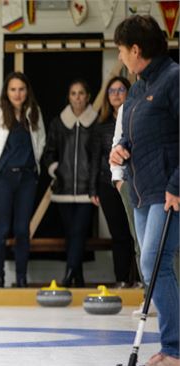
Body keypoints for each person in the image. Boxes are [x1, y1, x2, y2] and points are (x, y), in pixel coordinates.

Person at [109, 15, 179, 366]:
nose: (120, 57)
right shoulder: (138, 87)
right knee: (150, 265)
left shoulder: (173, 79)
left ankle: (174, 348)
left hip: (168, 193)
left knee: (154, 264)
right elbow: (132, 134)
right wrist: (120, 149)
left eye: (122, 50)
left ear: (136, 49)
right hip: (141, 190)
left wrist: (177, 185)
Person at [0, 72, 46, 288]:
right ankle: (0, 278)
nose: (17, 93)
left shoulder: (34, 113)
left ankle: (21, 279)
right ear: (6, 91)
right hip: (2, 179)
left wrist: (33, 166)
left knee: (23, 230)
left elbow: (41, 141)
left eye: (21, 89)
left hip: (26, 179)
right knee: (2, 229)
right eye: (13, 89)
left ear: (27, 91)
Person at [42, 79, 97, 288]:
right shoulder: (58, 123)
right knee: (71, 234)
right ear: (68, 97)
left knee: (79, 232)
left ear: (88, 96)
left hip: (86, 190)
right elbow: (48, 152)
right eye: (73, 93)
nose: (77, 97)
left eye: (81, 93)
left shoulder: (95, 122)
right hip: (63, 189)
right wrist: (57, 170)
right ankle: (79, 277)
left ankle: (68, 274)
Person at [89, 76, 139, 286]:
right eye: (112, 91)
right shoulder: (100, 126)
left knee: (136, 234)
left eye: (121, 90)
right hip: (107, 184)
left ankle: (139, 281)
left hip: (134, 183)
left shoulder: (136, 118)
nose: (116, 94)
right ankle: (121, 279)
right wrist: (92, 189)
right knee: (118, 233)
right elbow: (94, 159)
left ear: (129, 93)